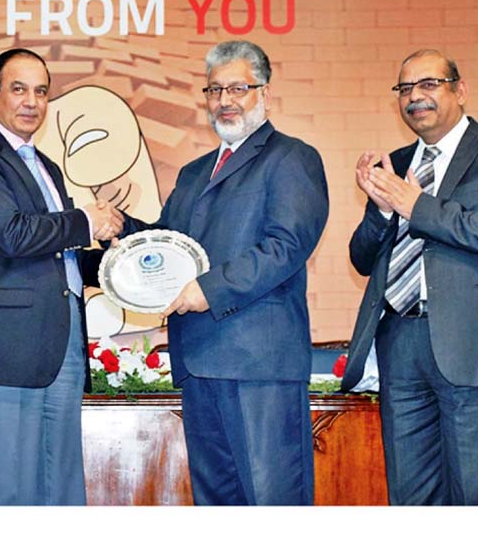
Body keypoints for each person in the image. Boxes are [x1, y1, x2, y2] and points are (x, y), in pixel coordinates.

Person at [122, 40, 329, 505]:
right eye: (214, 90)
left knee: (271, 500)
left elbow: (286, 246)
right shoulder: (195, 172)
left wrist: (207, 290)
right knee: (217, 502)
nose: (224, 101)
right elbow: (167, 243)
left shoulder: (292, 158)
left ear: (265, 95)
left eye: (238, 88)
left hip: (260, 364)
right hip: (199, 361)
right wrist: (124, 233)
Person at [341, 49, 478, 505]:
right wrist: (380, 209)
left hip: (475, 346)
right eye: (405, 89)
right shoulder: (394, 164)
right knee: (411, 498)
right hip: (401, 344)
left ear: (460, 90)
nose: (415, 97)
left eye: (429, 84)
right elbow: (361, 258)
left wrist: (418, 207)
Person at [0, 48, 123, 505]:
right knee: (10, 495)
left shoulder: (47, 167)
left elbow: (55, 253)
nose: (31, 101)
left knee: (61, 491)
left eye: (41, 91)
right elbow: (11, 235)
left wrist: (120, 265)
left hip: (60, 343)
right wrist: (86, 220)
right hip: (2, 348)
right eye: (18, 89)